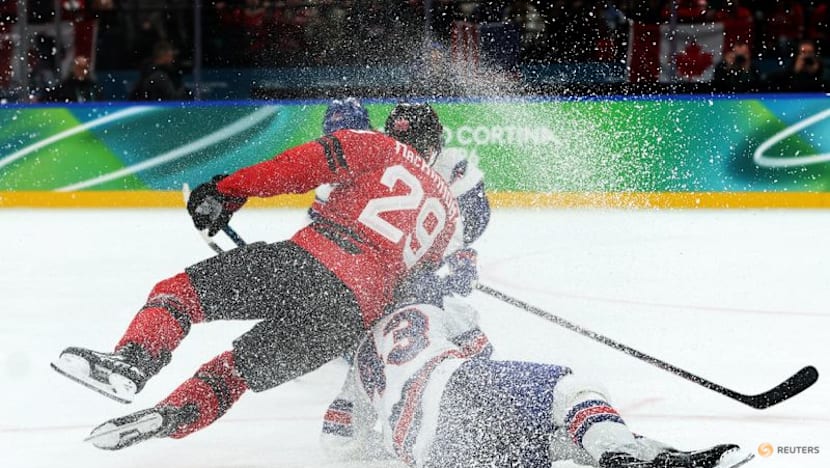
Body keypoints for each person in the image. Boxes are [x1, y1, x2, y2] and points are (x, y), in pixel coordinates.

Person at [52, 102, 462, 447]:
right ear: (433, 145)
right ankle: (172, 416)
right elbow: (413, 290)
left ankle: (132, 362)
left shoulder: (376, 145)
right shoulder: (448, 215)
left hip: (308, 265)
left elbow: (297, 167)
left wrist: (228, 189)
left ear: (391, 129)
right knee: (237, 371)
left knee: (181, 294)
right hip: (348, 318)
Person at [318, 294, 752, 468]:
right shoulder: (433, 307)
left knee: (557, 442)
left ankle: (655, 458)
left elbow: (337, 441)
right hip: (457, 387)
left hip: (430, 455)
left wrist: (386, 443)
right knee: (568, 393)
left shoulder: (358, 365)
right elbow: (482, 357)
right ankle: (627, 457)